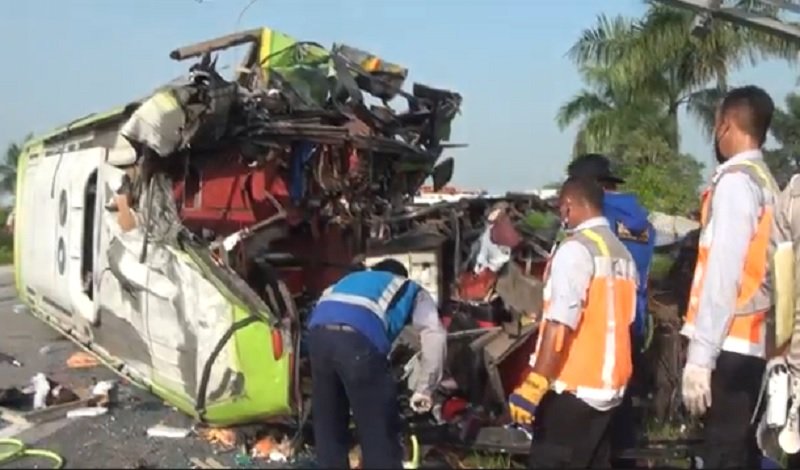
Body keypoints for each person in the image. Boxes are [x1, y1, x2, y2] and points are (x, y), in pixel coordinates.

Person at [680, 85, 780, 468]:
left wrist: (700, 358)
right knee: (743, 454)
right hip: (757, 343)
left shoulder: (736, 183)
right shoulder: (767, 183)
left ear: (725, 125)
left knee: (723, 455)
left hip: (730, 345)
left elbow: (723, 272)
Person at [508, 176, 638, 468]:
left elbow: (559, 325)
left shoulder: (575, 250)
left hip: (572, 389)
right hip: (609, 391)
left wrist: (534, 384)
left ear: (567, 207)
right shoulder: (622, 254)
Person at [306, 258, 447, 469]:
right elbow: (434, 335)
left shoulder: (346, 281)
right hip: (357, 341)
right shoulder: (409, 288)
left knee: (329, 426)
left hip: (317, 338)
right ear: (401, 275)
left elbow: (321, 311)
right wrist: (425, 389)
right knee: (377, 429)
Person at [566, 153, 655, 466]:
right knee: (622, 415)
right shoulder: (642, 222)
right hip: (634, 325)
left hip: (598, 334)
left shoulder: (597, 220)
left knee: (590, 430)